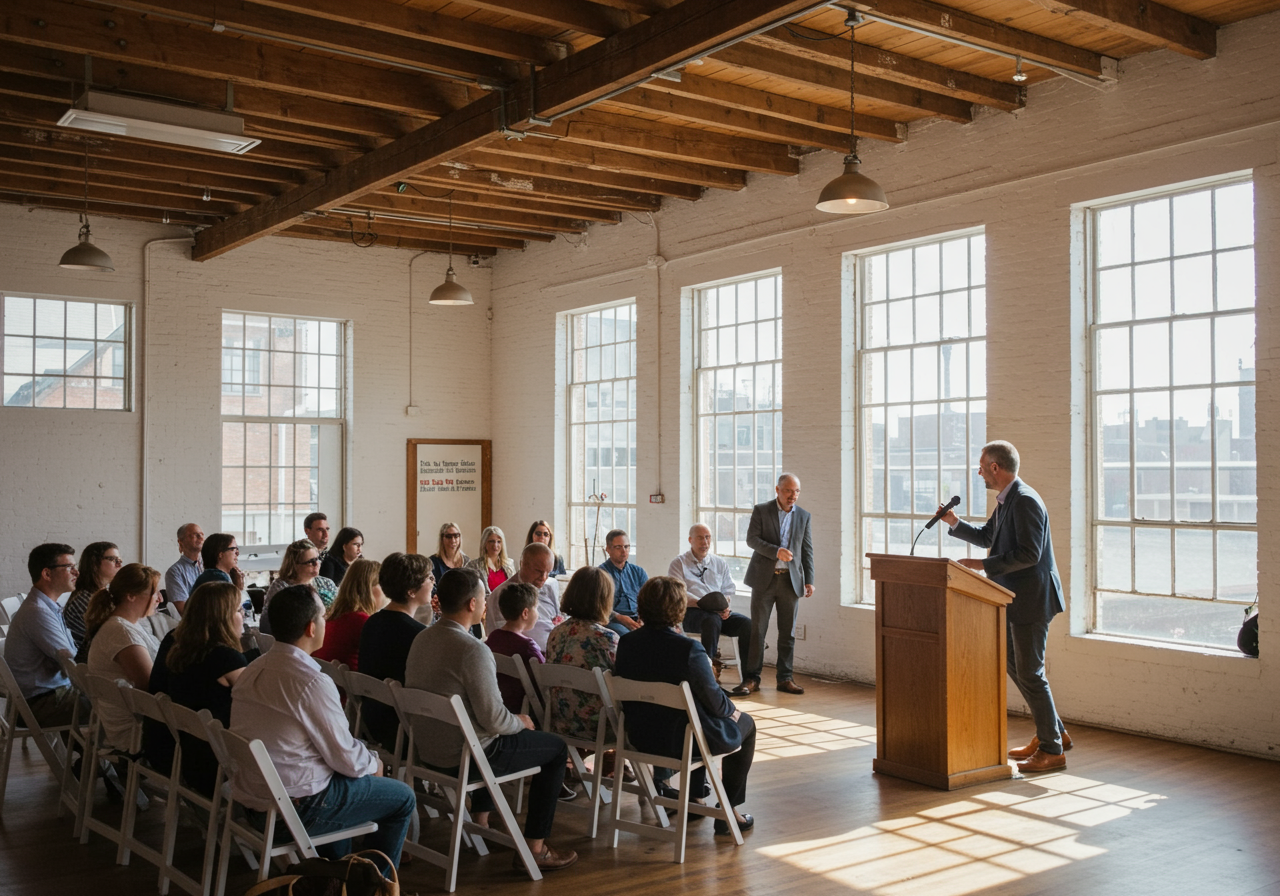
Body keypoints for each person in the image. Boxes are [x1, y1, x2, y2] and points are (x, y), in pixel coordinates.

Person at [231, 585, 416, 871]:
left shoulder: (254, 668)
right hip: (295, 811)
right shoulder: (310, 681)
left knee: (341, 780)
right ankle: (372, 883)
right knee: (402, 797)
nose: (325, 622)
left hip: (254, 803)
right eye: (322, 617)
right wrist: (375, 763)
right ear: (311, 627)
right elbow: (347, 759)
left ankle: (336, 875)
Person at [405, 568, 577, 871]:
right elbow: (495, 720)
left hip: (427, 752)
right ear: (472, 604)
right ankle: (535, 848)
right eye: (483, 598)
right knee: (555, 749)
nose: (486, 604)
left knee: (485, 731)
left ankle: (481, 821)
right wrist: (521, 721)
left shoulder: (422, 638)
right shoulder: (473, 649)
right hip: (466, 757)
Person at [941, 439, 1071, 774]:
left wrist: (982, 565)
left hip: (1032, 599)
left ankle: (1052, 750)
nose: (979, 473)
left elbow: (1030, 554)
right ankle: (1054, 732)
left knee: (1030, 672)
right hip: (1017, 598)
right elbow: (989, 536)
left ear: (995, 468)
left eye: (981, 467)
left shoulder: (1024, 500)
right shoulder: (1007, 499)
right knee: (1015, 664)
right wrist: (954, 522)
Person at [615, 577, 756, 836]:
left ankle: (695, 799)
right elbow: (716, 703)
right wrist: (732, 711)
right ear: (679, 609)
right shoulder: (689, 649)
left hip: (640, 736)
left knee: (693, 718)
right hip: (681, 741)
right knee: (745, 724)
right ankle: (729, 811)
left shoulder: (626, 643)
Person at [147, 581, 252, 795]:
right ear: (223, 617)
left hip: (183, 754)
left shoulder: (177, 644)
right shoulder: (225, 658)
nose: (243, 615)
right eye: (239, 610)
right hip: (219, 765)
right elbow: (258, 705)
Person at [734, 473, 814, 697]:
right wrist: (776, 551)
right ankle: (752, 678)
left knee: (788, 633)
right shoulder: (762, 510)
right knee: (757, 631)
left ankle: (785, 678)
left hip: (791, 581)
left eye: (796, 491)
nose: (793, 495)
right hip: (764, 580)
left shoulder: (804, 516)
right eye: (788, 490)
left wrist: (809, 580)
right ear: (777, 490)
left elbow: (806, 549)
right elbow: (752, 539)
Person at [358, 552, 433, 751]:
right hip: (403, 728)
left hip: (372, 720)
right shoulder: (418, 635)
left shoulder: (372, 622)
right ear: (411, 591)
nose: (433, 582)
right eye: (429, 578)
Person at [85, 563, 163, 750]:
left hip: (135, 719)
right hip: (135, 730)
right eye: (154, 593)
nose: (159, 598)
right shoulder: (121, 632)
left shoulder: (127, 625)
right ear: (131, 596)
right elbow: (150, 686)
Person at [4, 543, 81, 726]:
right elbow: (69, 662)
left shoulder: (46, 607)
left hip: (48, 696)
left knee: (110, 700)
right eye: (69, 567)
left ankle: (82, 745)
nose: (76, 572)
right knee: (114, 705)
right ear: (47, 574)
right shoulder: (38, 612)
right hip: (40, 704)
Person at [668, 524, 752, 680]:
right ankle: (707, 672)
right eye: (700, 538)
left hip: (718, 612)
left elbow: (728, 590)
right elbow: (678, 594)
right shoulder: (678, 563)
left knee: (747, 624)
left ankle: (749, 678)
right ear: (690, 540)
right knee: (712, 620)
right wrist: (704, 604)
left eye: (708, 537)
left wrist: (725, 606)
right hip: (691, 613)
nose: (705, 542)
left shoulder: (719, 562)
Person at [544, 567, 618, 741]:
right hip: (599, 726)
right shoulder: (606, 638)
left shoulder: (556, 633)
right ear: (604, 599)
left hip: (560, 721)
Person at [487, 543, 562, 650]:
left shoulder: (549, 586)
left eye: (548, 572)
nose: (544, 578)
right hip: (525, 656)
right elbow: (504, 641)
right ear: (522, 564)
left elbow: (558, 618)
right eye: (539, 571)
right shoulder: (502, 595)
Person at [314, 558, 385, 670]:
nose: (386, 591)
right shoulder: (362, 621)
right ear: (368, 588)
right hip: (349, 681)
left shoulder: (335, 617)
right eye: (382, 584)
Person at [485, 582, 545, 713]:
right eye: (536, 608)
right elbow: (544, 677)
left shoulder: (493, 637)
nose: (538, 614)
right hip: (524, 709)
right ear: (525, 613)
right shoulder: (528, 647)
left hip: (499, 704)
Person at [260, 539, 336, 634]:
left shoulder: (327, 584)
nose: (316, 564)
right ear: (295, 565)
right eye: (311, 561)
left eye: (318, 559)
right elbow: (268, 624)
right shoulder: (281, 587)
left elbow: (340, 612)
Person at [63, 541, 122, 651]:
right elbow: (110, 640)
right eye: (113, 560)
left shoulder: (100, 595)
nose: (119, 565)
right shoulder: (85, 599)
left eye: (120, 561)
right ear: (94, 562)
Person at [598, 529, 647, 639]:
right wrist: (619, 617)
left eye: (626, 547)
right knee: (629, 637)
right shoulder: (601, 574)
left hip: (638, 617)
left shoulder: (638, 572)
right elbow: (598, 605)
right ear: (608, 549)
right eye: (618, 547)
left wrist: (642, 617)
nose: (623, 551)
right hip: (613, 620)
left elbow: (648, 600)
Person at [164, 523, 205, 612]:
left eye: (202, 534)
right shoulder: (175, 572)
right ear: (181, 541)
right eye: (194, 535)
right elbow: (184, 610)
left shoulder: (211, 565)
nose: (200, 537)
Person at [466, 525, 515, 594]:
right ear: (484, 543)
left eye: (499, 542)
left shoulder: (509, 564)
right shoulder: (474, 566)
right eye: (491, 541)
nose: (495, 545)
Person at [427, 521, 470, 599]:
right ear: (442, 539)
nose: (453, 540)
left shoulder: (467, 562)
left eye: (456, 536)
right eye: (448, 536)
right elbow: (430, 588)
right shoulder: (432, 562)